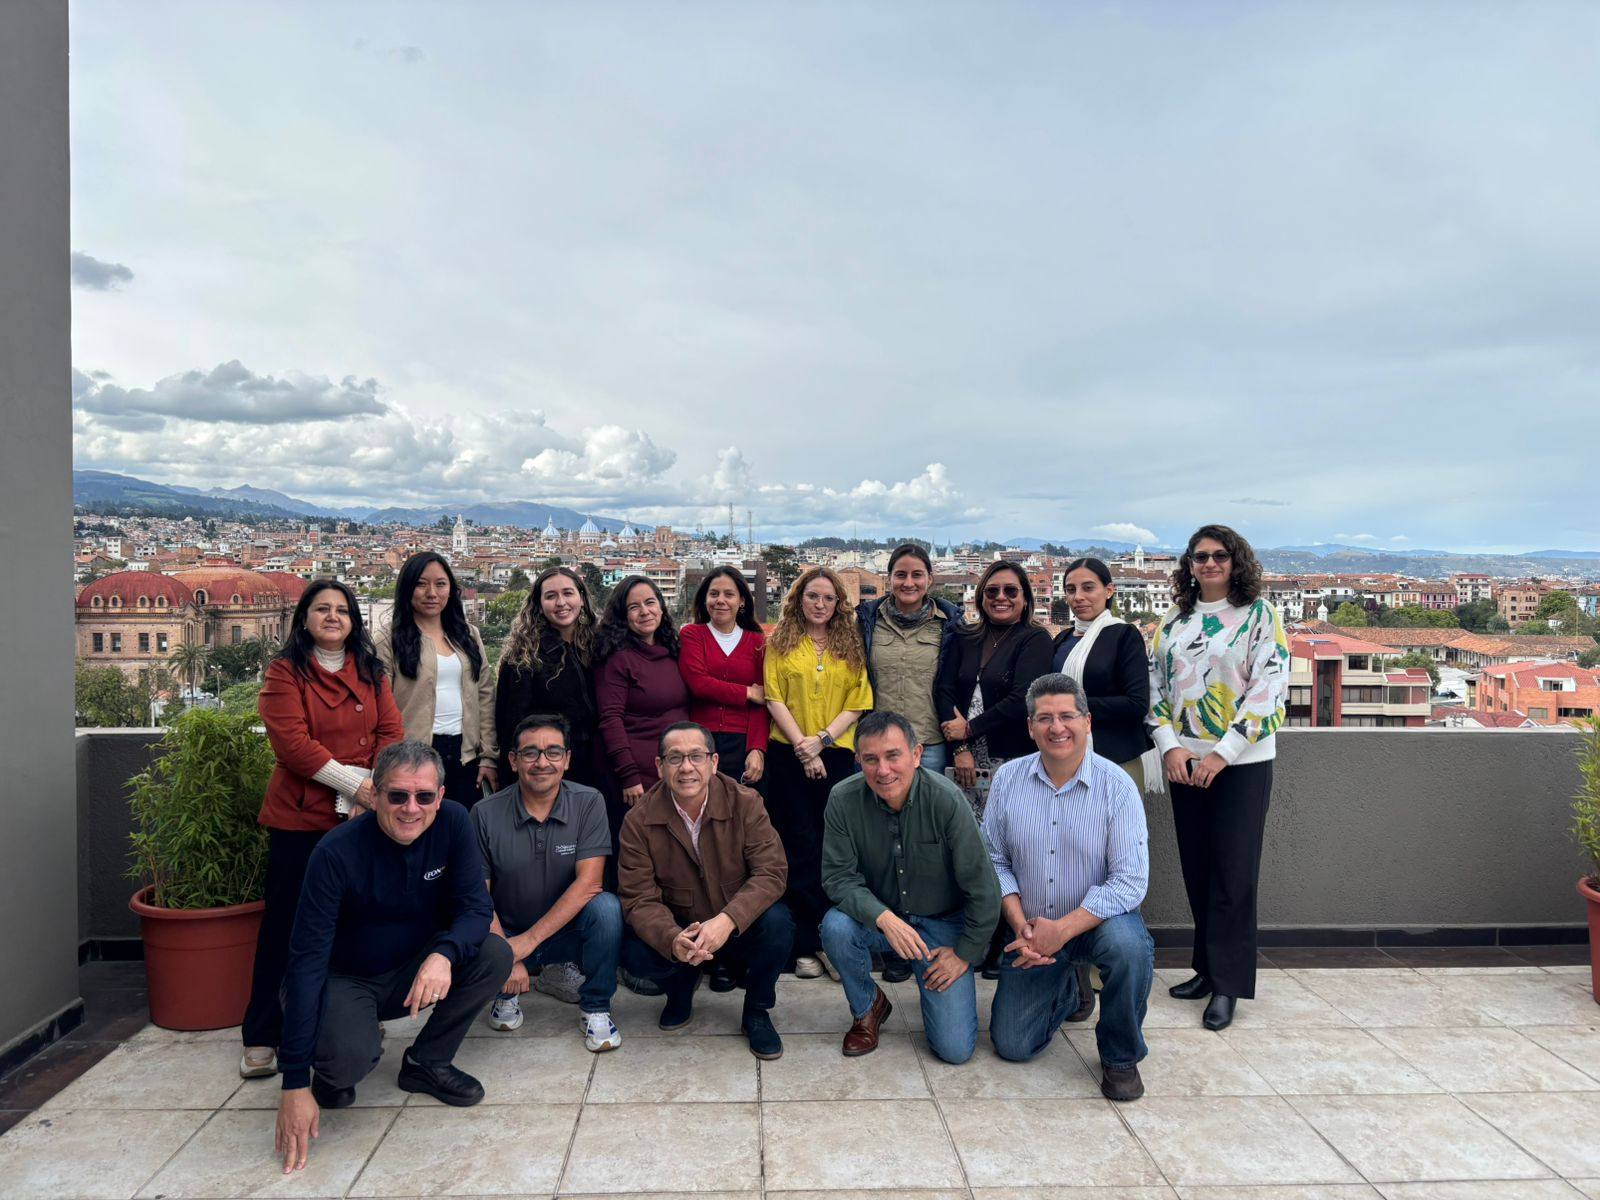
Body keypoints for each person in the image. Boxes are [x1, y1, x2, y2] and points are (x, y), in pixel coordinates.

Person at [273, 741, 512, 1175]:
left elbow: (476, 908)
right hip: (345, 976)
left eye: (424, 797)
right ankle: (329, 1069)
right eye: (397, 795)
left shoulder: (455, 823)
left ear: (440, 797)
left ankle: (427, 1062)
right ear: (374, 793)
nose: (410, 809)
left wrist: (444, 954)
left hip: (412, 965)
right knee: (347, 1063)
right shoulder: (335, 853)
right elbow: (305, 963)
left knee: (495, 953)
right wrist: (293, 1082)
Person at [242, 578, 403, 1082]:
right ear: (305, 619)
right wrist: (357, 788)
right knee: (286, 926)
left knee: (356, 924)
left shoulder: (371, 671)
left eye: (342, 610)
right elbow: (291, 745)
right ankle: (263, 1033)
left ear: (354, 621)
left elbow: (391, 733)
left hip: (361, 815)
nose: (333, 617)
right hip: (302, 815)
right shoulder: (285, 672)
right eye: (322, 609)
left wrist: (372, 788)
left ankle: (349, 1021)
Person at [984, 674, 1154, 1101]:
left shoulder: (1117, 786)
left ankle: (1120, 1057)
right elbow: (994, 861)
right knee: (1013, 1046)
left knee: (1129, 948)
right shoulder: (1007, 780)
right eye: (1045, 718)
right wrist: (1023, 925)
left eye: (1067, 716)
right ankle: (1069, 986)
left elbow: (1130, 881)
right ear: (1030, 727)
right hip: (1031, 930)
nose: (1057, 728)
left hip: (1097, 924)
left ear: (1088, 722)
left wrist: (1061, 931)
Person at [1149, 524, 1288, 1031]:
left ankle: (1229, 985)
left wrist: (1223, 753)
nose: (1209, 564)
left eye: (1219, 556)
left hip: (1241, 765)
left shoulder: (1259, 615)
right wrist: (1170, 747)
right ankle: (1206, 970)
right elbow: (1155, 688)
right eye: (1199, 556)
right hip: (1185, 764)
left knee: (1233, 875)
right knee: (1199, 871)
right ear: (1188, 565)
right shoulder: (1176, 619)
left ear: (1236, 562)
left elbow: (1268, 689)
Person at [818, 710, 1000, 1064]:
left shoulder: (946, 800)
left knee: (954, 1050)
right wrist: (883, 917)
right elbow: (838, 877)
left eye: (892, 756)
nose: (882, 770)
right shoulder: (843, 799)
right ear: (858, 760)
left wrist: (963, 954)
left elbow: (984, 888)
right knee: (836, 927)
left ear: (916, 755)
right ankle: (868, 1006)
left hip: (941, 929)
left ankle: (935, 984)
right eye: (870, 759)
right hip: (885, 922)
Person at [617, 722, 792, 1060]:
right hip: (682, 930)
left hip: (736, 928)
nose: (686, 767)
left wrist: (727, 921)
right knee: (632, 949)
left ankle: (756, 1011)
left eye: (696, 757)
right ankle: (680, 988)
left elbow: (772, 872)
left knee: (779, 922)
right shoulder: (638, 820)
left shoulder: (746, 802)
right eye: (675, 758)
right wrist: (672, 939)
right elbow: (639, 898)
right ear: (659, 766)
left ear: (713, 763)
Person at [473, 714, 622, 1051]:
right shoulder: (484, 813)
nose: (542, 762)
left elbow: (589, 884)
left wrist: (526, 945)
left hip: (561, 934)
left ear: (567, 760)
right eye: (530, 753)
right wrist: (507, 955)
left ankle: (596, 1006)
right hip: (505, 933)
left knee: (607, 908)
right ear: (513, 761)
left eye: (553, 752)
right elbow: (478, 896)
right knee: (467, 920)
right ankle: (504, 990)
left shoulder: (589, 802)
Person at [1049, 556, 1156, 1020]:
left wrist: (1071, 708)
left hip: (1112, 765)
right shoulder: (1063, 640)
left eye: (1088, 587)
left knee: (1110, 865)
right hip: (1065, 766)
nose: (1079, 596)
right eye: (1071, 588)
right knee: (1071, 864)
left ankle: (1105, 969)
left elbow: (1136, 702)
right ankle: (1074, 972)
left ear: (1109, 590)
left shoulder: (1124, 636)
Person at [935, 558, 1052, 976]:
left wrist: (969, 729)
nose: (1000, 598)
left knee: (1012, 848)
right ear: (980, 596)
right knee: (969, 850)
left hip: (1013, 760)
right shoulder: (964, 636)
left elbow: (1024, 696)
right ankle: (975, 937)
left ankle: (1009, 938)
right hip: (965, 760)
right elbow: (944, 687)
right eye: (992, 591)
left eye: (1010, 591)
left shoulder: (1035, 640)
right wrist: (961, 745)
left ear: (1025, 599)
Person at [764, 566, 873, 978]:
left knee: (834, 847)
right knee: (797, 844)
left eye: (828, 598)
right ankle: (804, 944)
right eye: (813, 596)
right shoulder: (780, 642)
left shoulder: (851, 644)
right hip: (788, 755)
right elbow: (774, 697)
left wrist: (823, 741)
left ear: (838, 604)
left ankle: (834, 938)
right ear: (799, 598)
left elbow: (859, 700)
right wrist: (803, 748)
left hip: (838, 755)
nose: (820, 604)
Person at [377, 551, 498, 813]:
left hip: (466, 755)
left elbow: (485, 695)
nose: (432, 592)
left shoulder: (468, 634)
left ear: (451, 590)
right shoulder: (388, 638)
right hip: (412, 756)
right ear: (407, 587)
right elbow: (379, 704)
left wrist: (488, 756)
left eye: (440, 584)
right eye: (421, 584)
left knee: (461, 833)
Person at [493, 566, 600, 789]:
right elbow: (509, 725)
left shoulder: (598, 647)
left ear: (581, 598)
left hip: (595, 767)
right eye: (551, 596)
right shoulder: (523, 658)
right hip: (546, 770)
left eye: (568, 593)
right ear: (539, 605)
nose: (561, 602)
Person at [678, 566, 769, 786]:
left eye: (729, 594)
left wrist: (757, 749)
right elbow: (699, 684)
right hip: (701, 742)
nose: (720, 600)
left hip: (743, 743)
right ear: (705, 599)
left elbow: (763, 701)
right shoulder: (692, 634)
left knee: (744, 813)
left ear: (742, 601)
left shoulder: (757, 642)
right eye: (714, 594)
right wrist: (747, 692)